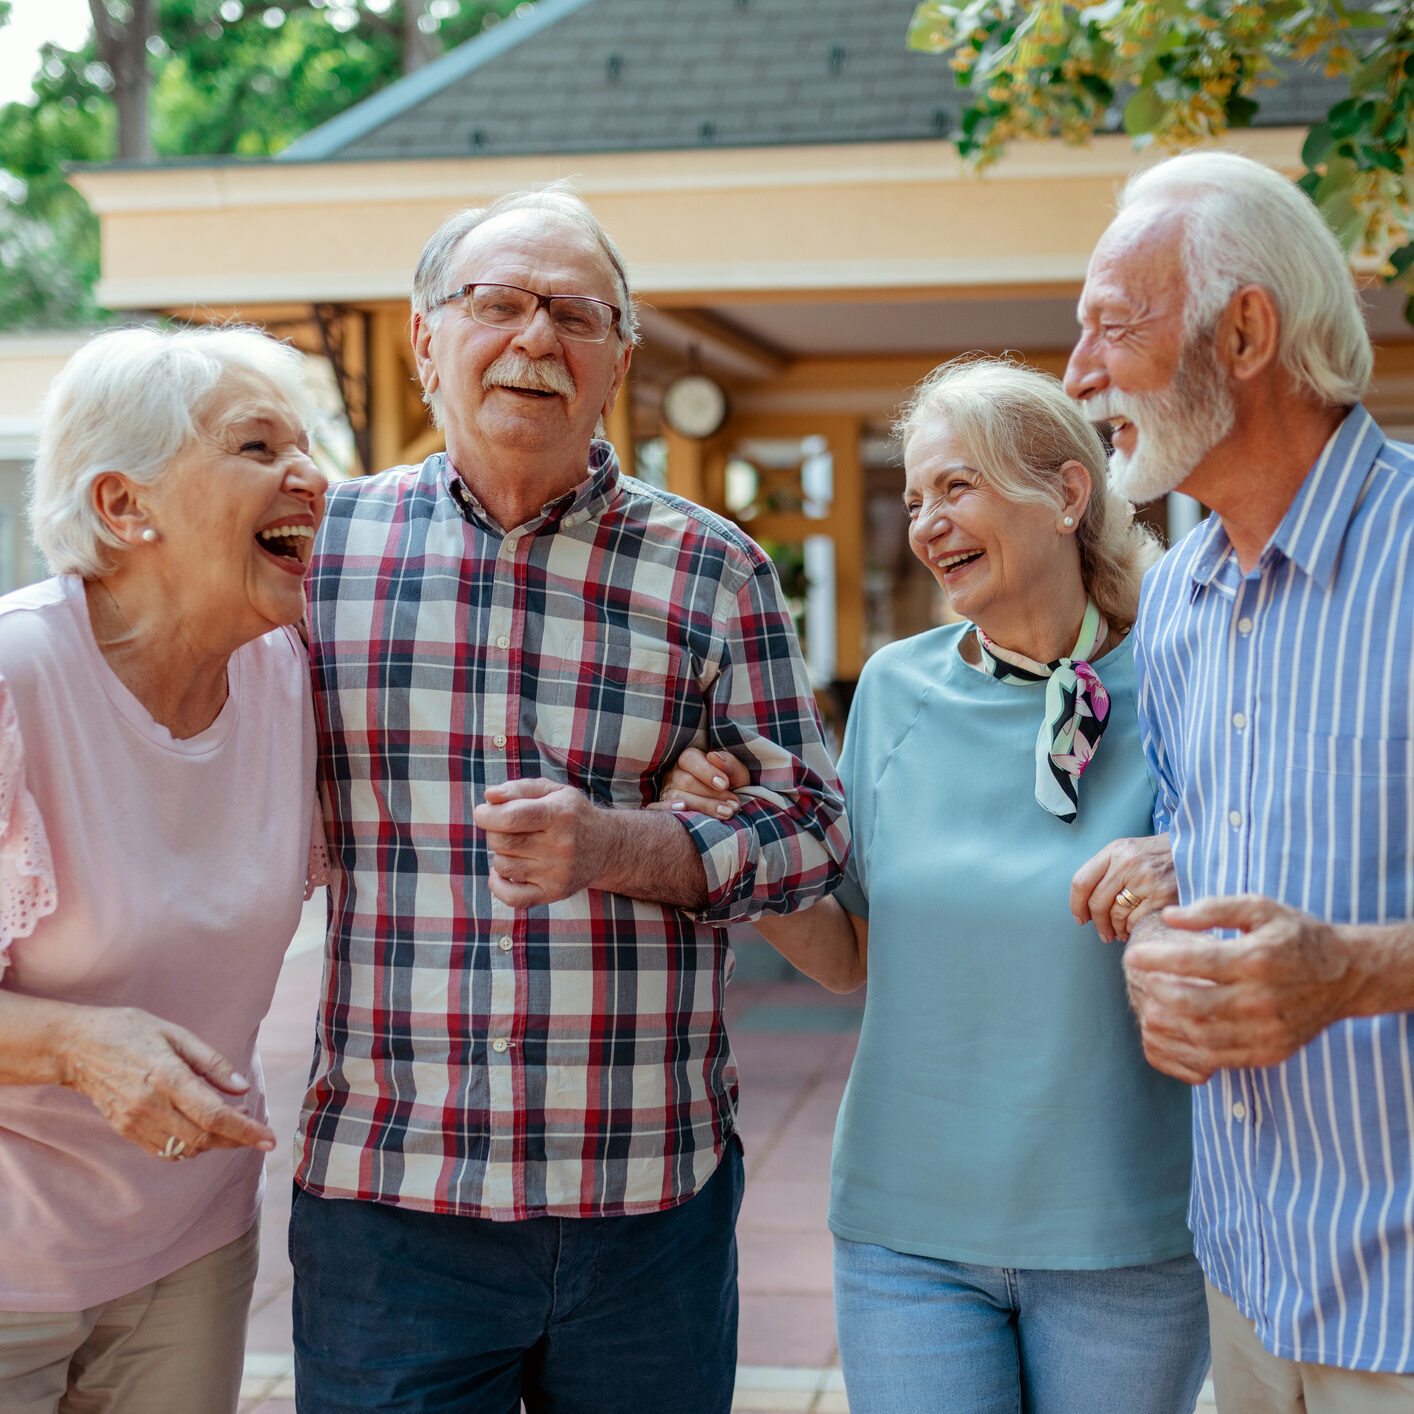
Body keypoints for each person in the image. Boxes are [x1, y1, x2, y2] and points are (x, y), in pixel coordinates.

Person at [289, 184, 849, 1414]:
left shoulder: (712, 568)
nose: (537, 337)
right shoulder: (320, 555)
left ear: (619, 366)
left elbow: (810, 832)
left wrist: (624, 842)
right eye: (498, 303)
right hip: (393, 1195)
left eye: (577, 314)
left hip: (646, 1194)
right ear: (426, 340)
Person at [662, 355, 1208, 1414]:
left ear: (1063, 492)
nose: (924, 522)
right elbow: (852, 953)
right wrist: (738, 850)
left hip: (1122, 1231)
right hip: (905, 1226)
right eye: (914, 498)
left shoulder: (1190, 680)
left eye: (955, 486)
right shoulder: (896, 687)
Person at [1065, 149, 1414, 1410]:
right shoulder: (1178, 605)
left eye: (1110, 325)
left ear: (1246, 330)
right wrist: (1174, 873)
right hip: (1248, 1279)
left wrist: (1356, 970)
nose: (1076, 374)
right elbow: (1220, 824)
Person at [0, 326, 328, 1413]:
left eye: (307, 443)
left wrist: (674, 787)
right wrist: (78, 1042)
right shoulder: (15, 679)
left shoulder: (294, 678)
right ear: (123, 507)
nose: (310, 476)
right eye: (256, 445)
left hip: (191, 1239)